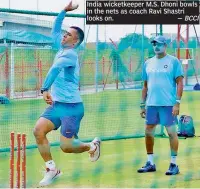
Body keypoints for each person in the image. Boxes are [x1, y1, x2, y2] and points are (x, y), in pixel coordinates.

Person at [33, 1, 101, 187]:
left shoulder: (70, 55)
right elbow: (55, 30)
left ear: (75, 41)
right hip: (57, 105)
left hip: (72, 107)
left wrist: (44, 89)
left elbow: (55, 69)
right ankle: (51, 170)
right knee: (38, 131)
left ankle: (92, 146)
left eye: (68, 35)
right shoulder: (62, 46)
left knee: (66, 147)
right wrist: (64, 10)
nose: (64, 36)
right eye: (65, 33)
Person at [138, 35, 184, 175]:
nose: (156, 46)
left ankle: (173, 164)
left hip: (168, 105)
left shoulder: (173, 62)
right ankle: (150, 163)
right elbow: (145, 86)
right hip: (151, 105)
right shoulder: (148, 63)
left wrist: (177, 103)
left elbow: (180, 83)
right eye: (154, 44)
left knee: (171, 133)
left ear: (165, 45)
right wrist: (142, 104)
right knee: (148, 132)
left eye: (158, 44)